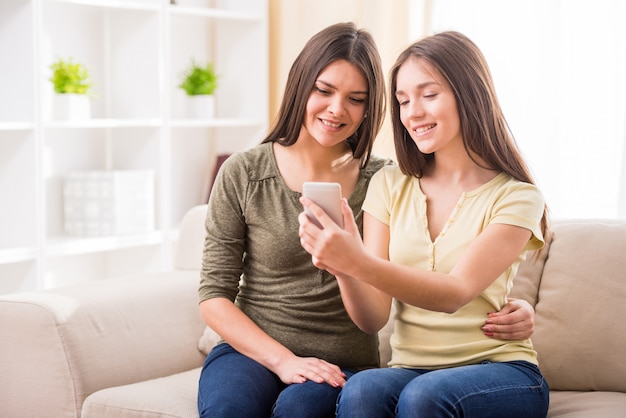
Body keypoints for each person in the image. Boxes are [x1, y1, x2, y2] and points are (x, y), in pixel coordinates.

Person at [198, 23, 537, 418]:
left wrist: (519, 305)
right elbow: (213, 293)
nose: (337, 109)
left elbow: (455, 281)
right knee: (228, 410)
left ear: (370, 107)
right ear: (300, 86)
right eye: (323, 90)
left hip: (344, 358)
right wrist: (282, 360)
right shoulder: (248, 172)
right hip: (256, 352)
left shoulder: (382, 178)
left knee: (302, 411)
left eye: (355, 99)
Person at [298, 30, 550, 417]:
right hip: (411, 369)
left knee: (424, 396)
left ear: (469, 95)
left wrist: (357, 260)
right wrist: (342, 267)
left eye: (429, 95)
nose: (412, 112)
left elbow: (455, 292)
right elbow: (373, 318)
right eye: (403, 100)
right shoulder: (389, 184)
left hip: (500, 370)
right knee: (363, 389)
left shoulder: (517, 196)